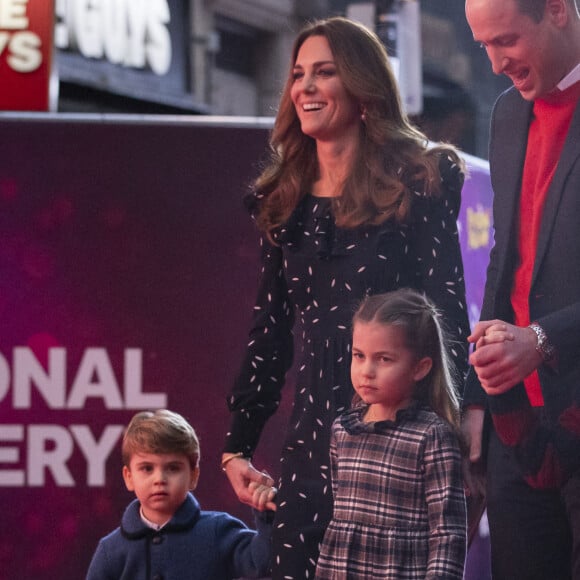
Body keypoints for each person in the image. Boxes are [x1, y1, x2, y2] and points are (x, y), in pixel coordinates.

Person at [222, 16, 471, 579]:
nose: (306, 86)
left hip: (399, 436)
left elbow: (447, 307)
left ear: (362, 90)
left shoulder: (417, 182)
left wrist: (468, 415)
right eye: (298, 75)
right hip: (310, 438)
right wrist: (237, 449)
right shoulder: (284, 201)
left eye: (325, 73)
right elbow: (270, 332)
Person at [462, 0, 580, 578]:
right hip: (518, 424)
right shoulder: (509, 113)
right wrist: (477, 402)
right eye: (483, 44)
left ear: (556, 10)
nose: (493, 62)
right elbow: (503, 262)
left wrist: (542, 338)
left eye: (505, 40)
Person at [314, 289, 467, 579]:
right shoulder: (342, 431)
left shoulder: (431, 436)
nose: (366, 371)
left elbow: (448, 532)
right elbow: (340, 518)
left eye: (383, 359)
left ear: (419, 368)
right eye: (359, 356)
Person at [86, 409, 276, 580]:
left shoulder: (218, 531)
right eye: (147, 468)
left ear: (194, 476)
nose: (159, 479)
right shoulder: (109, 550)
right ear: (129, 477)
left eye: (173, 468)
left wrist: (267, 515)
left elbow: (264, 563)